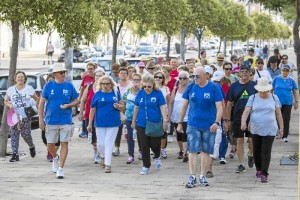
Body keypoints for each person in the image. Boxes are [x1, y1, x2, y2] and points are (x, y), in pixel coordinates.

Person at [177, 67, 223, 188]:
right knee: (192, 150)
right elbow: (184, 106)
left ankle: (202, 175)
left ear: (205, 76)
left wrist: (217, 122)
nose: (195, 79)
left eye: (197, 76)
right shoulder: (191, 87)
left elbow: (220, 107)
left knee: (206, 150)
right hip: (193, 124)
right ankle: (192, 176)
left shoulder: (214, 87)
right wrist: (180, 122)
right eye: (193, 76)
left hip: (209, 125)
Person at [38, 64, 79, 179]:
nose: (63, 75)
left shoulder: (69, 86)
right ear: (55, 74)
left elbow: (77, 100)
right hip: (51, 120)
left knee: (64, 143)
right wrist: (41, 120)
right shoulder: (49, 86)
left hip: (66, 120)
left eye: (64, 72)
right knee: (50, 145)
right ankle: (55, 157)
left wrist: (69, 105)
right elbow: (41, 103)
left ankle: (60, 169)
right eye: (61, 73)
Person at [241, 77, 284, 182]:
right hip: (255, 128)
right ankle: (258, 169)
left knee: (266, 150)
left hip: (270, 128)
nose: (264, 93)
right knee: (256, 150)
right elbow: (246, 111)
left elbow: (278, 113)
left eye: (265, 91)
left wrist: (281, 128)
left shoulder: (274, 98)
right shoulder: (253, 97)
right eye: (261, 90)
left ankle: (264, 173)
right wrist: (243, 122)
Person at [87, 75, 125, 173]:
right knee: (100, 144)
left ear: (111, 84)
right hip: (99, 122)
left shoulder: (115, 93)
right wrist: (90, 123)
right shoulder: (97, 94)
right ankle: (103, 156)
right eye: (103, 84)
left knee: (109, 143)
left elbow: (122, 107)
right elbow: (92, 109)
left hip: (113, 122)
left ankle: (108, 164)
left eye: (107, 84)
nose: (105, 85)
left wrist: (119, 106)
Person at [131, 74, 168, 175]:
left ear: (153, 85)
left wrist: (165, 120)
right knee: (144, 145)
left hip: (155, 122)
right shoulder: (140, 93)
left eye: (149, 86)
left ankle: (157, 155)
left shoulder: (158, 93)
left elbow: (162, 107)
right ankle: (146, 165)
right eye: (145, 86)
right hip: (142, 123)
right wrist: (133, 121)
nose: (147, 88)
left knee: (155, 143)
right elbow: (136, 108)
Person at [224, 64, 257, 173]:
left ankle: (251, 154)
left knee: (251, 140)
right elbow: (229, 104)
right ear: (239, 73)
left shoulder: (254, 85)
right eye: (242, 72)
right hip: (237, 116)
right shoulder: (234, 86)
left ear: (249, 73)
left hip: (252, 117)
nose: (244, 74)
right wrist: (228, 120)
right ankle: (241, 163)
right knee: (239, 139)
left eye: (246, 72)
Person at [4, 71, 39, 162]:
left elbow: (37, 99)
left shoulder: (29, 88)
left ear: (25, 79)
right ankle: (15, 155)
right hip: (14, 115)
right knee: (14, 134)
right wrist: (9, 105)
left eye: (22, 77)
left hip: (25, 116)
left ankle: (31, 146)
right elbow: (5, 101)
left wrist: (35, 108)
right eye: (18, 77)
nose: (20, 78)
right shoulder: (11, 89)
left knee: (26, 134)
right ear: (15, 79)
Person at [78, 70, 105, 164]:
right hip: (89, 116)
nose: (98, 77)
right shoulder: (90, 86)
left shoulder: (106, 88)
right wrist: (81, 113)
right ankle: (95, 149)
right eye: (96, 75)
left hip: (102, 117)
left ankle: (99, 153)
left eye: (100, 76)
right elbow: (83, 100)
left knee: (100, 137)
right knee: (92, 138)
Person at [272, 65, 299, 142]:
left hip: (287, 102)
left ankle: (285, 136)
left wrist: (296, 101)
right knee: (277, 118)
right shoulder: (276, 79)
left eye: (286, 70)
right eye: (283, 70)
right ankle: (278, 133)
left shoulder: (291, 80)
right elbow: (271, 89)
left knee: (286, 119)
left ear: (289, 71)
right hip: (277, 102)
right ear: (281, 70)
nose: (285, 72)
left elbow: (295, 91)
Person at [168, 71, 190, 162]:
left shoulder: (190, 88)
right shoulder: (176, 89)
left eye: (184, 78)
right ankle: (181, 150)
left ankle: (186, 153)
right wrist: (169, 115)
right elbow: (171, 102)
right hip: (176, 116)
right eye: (180, 78)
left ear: (188, 79)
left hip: (187, 116)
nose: (182, 80)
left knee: (185, 134)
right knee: (179, 135)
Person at [123, 73, 142, 164]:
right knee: (130, 136)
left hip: (140, 118)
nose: (136, 82)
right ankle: (131, 155)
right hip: (129, 117)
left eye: (137, 80)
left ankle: (141, 151)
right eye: (134, 80)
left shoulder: (142, 92)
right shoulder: (128, 91)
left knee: (141, 136)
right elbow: (123, 103)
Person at [113, 67, 133, 156]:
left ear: (127, 74)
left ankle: (131, 150)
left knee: (130, 129)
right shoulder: (115, 85)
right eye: (121, 73)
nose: (123, 75)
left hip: (129, 109)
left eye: (125, 73)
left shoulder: (131, 84)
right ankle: (116, 147)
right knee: (118, 129)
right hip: (119, 108)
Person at [41, 73, 60, 162]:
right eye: (49, 80)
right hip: (46, 118)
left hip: (57, 118)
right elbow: (40, 104)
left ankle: (53, 154)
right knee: (44, 137)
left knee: (57, 138)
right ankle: (51, 151)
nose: (51, 82)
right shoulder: (45, 91)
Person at [153, 71, 170, 159]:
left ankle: (163, 149)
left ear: (163, 79)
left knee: (163, 132)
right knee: (155, 132)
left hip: (164, 112)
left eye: (160, 77)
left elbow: (169, 102)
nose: (158, 79)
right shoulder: (151, 88)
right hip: (154, 112)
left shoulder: (166, 89)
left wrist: (168, 115)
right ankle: (156, 150)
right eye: (156, 77)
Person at [78, 62, 96, 138]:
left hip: (93, 98)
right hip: (86, 98)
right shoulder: (86, 77)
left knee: (92, 114)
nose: (90, 70)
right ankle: (84, 130)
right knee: (86, 114)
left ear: (94, 69)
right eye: (88, 69)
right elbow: (82, 88)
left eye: (91, 69)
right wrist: (79, 98)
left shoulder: (96, 77)